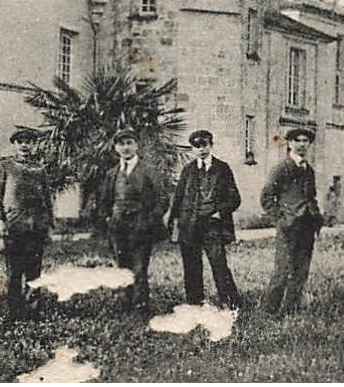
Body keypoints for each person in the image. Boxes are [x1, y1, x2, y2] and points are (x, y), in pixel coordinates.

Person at [167, 128, 242, 309]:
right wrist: (174, 222)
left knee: (219, 264)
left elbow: (234, 198)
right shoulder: (188, 170)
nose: (201, 149)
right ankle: (194, 301)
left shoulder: (222, 169)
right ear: (192, 148)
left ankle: (231, 302)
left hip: (213, 225)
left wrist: (220, 212)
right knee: (191, 265)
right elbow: (178, 198)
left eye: (204, 145)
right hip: (190, 224)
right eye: (196, 146)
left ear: (211, 145)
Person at [93, 128, 166, 312]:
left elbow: (162, 199)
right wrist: (108, 219)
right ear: (116, 148)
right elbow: (104, 201)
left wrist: (150, 220)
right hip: (118, 228)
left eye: (129, 143)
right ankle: (126, 304)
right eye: (121, 144)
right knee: (122, 265)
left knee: (140, 267)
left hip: (142, 227)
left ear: (136, 146)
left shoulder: (149, 171)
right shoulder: (112, 173)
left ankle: (141, 306)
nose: (125, 148)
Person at [259, 127, 322, 315]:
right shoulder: (281, 168)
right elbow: (267, 197)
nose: (302, 144)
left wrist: (316, 215)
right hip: (288, 227)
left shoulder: (308, 170)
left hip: (307, 226)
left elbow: (311, 196)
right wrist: (281, 219)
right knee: (282, 270)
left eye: (306, 141)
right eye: (298, 141)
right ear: (290, 143)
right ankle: (269, 311)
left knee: (301, 270)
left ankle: (290, 309)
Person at [0, 127, 54, 320]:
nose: (25, 145)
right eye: (21, 141)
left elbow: (47, 199)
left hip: (36, 227)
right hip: (14, 226)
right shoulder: (6, 166)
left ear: (34, 145)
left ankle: (33, 309)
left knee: (34, 270)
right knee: (14, 270)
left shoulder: (40, 169)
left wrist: (49, 225)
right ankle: (15, 310)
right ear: (15, 144)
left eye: (29, 141)